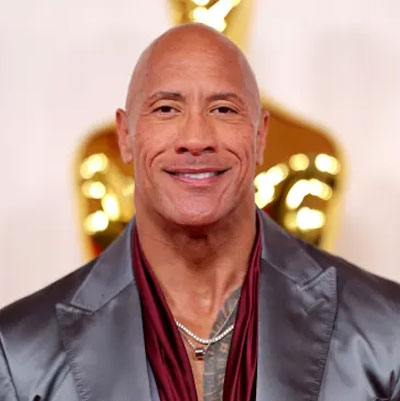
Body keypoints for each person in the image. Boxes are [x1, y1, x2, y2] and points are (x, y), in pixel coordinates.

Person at [1, 23, 400, 401]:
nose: (195, 139)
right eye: (166, 109)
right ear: (125, 136)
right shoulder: (20, 356)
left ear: (261, 135)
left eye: (223, 109)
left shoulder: (386, 334)